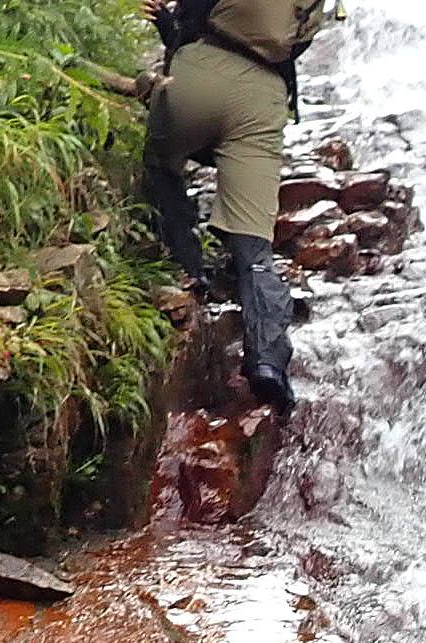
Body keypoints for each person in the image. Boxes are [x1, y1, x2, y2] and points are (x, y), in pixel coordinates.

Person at [142, 0, 331, 416]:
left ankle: (187, 269)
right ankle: (267, 361)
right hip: (263, 98)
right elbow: (289, 46)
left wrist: (167, 25)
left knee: (160, 165)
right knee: (255, 248)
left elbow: (190, 25)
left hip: (198, 76)